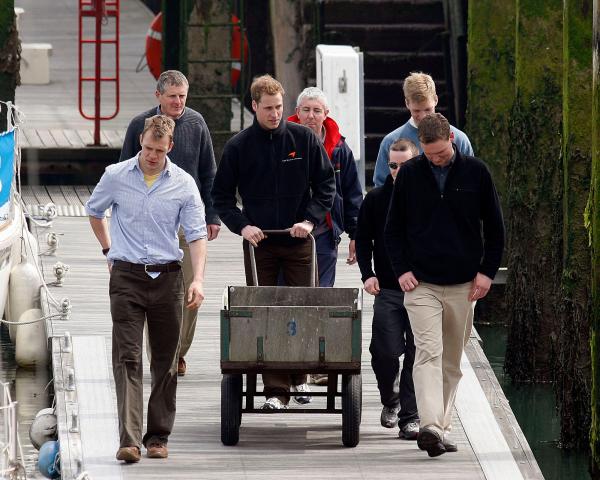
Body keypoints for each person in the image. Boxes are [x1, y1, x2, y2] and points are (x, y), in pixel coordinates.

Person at [86, 115, 208, 462]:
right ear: (141, 140)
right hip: (125, 277)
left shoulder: (183, 184)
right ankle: (129, 440)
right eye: (148, 148)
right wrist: (108, 249)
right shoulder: (115, 176)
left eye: (159, 149)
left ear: (170, 146)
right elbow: (95, 211)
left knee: (166, 362)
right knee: (127, 358)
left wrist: (197, 278)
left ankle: (157, 435)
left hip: (168, 278)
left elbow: (197, 235)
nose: (152, 155)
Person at [212, 75, 335, 410]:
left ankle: (301, 378)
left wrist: (309, 219)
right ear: (254, 106)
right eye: (268, 108)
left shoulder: (303, 140)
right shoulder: (239, 147)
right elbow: (221, 197)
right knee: (268, 310)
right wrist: (243, 226)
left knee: (301, 307)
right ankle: (276, 390)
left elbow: (326, 184)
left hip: (298, 240)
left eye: (279, 107)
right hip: (261, 243)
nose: (275, 114)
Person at [384, 113, 504, 457]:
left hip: (464, 283)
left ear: (451, 138)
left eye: (440, 153)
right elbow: (393, 230)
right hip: (420, 282)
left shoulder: (476, 172)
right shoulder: (409, 174)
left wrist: (486, 272)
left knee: (451, 360)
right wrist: (401, 269)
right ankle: (430, 425)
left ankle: (441, 427)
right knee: (427, 352)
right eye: (429, 154)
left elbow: (495, 228)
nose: (435, 159)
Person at [120, 70, 218, 376]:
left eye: (182, 96)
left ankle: (178, 351)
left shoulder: (197, 123)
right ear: (158, 96)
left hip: (189, 221)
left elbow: (209, 173)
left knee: (191, 289)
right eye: (172, 96)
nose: (178, 102)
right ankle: (163, 355)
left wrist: (212, 216)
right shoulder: (140, 125)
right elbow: (123, 172)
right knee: (154, 291)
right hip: (149, 223)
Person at [355, 138, 420, 440]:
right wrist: (367, 275)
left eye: (404, 165)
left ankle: (410, 415)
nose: (397, 170)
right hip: (388, 289)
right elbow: (363, 240)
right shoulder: (376, 199)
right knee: (383, 352)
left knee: (417, 353)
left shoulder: (428, 198)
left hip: (423, 290)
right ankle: (390, 401)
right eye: (393, 165)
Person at [287, 87, 363, 287]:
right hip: (287, 230)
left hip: (325, 230)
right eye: (305, 110)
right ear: (297, 112)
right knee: (286, 294)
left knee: (322, 292)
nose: (310, 116)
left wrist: (356, 235)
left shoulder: (339, 149)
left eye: (316, 110)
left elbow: (352, 193)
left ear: (326, 114)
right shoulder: (282, 141)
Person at [372, 71, 473, 187]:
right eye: (416, 111)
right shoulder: (390, 142)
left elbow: (471, 182)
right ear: (407, 103)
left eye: (428, 109)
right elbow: (381, 189)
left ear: (436, 100)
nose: (423, 116)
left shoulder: (459, 139)